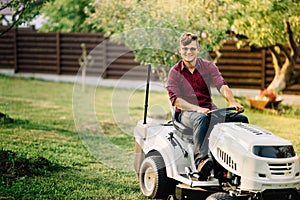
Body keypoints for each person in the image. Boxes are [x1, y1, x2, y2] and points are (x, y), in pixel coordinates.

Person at [166, 32, 248, 180]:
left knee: (241, 119)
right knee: (201, 118)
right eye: (185, 49)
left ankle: (237, 163)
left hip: (209, 109)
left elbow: (221, 84)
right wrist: (197, 109)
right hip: (186, 113)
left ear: (198, 49)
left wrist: (232, 101)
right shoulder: (174, 72)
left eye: (192, 48)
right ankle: (201, 161)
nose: (188, 52)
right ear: (180, 50)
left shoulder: (208, 66)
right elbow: (176, 100)